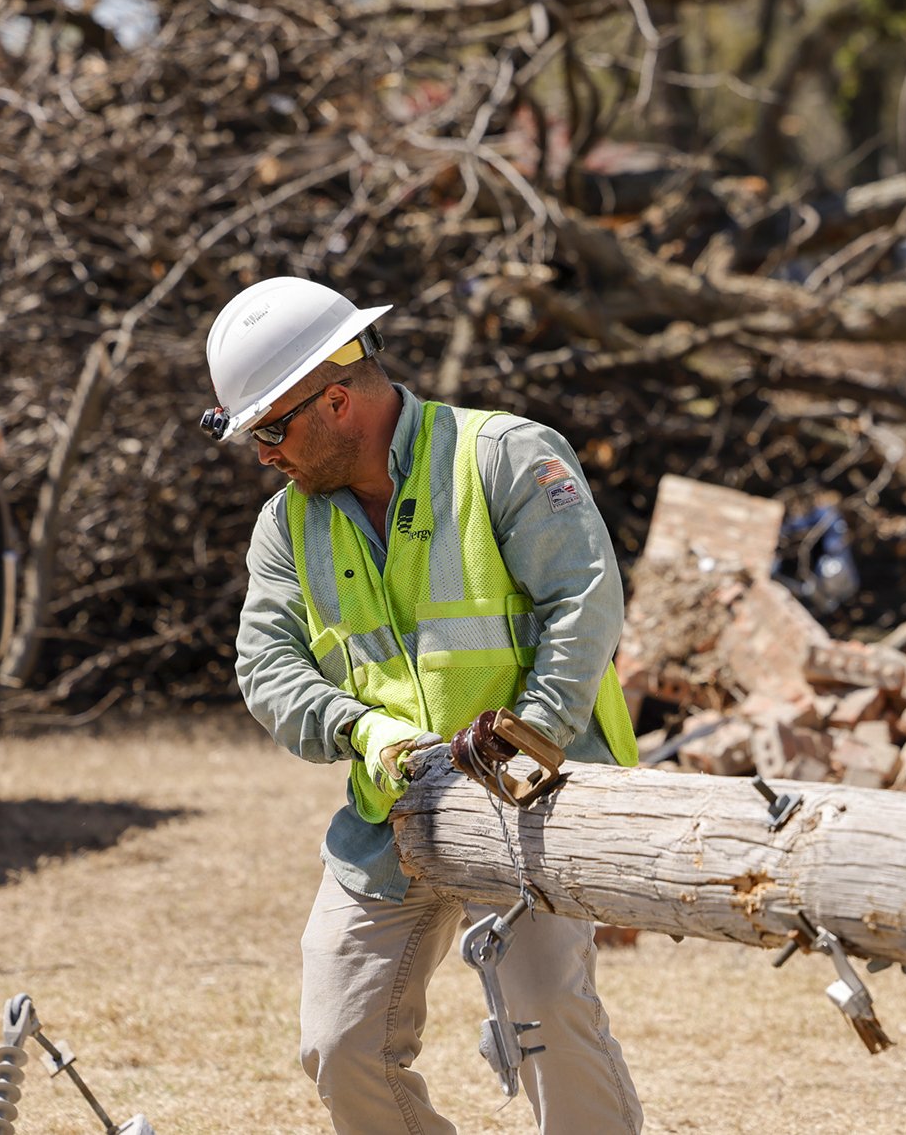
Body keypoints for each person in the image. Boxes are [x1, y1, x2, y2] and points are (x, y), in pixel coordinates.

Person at [200, 276, 643, 1135]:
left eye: (273, 429)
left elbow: (583, 604)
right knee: (340, 1044)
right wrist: (360, 729)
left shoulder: (504, 457)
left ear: (336, 399)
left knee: (547, 1010)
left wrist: (533, 736)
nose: (264, 454)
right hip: (396, 812)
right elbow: (266, 664)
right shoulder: (286, 527)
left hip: (534, 802)